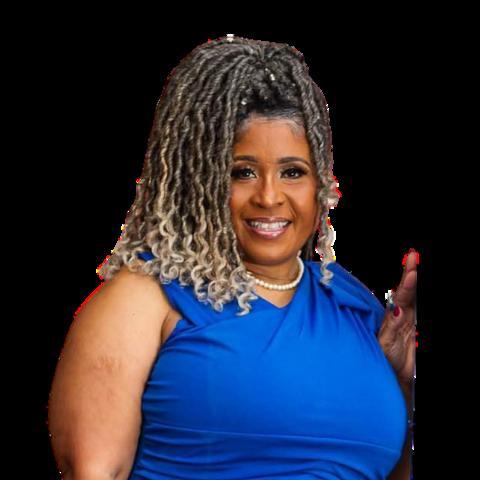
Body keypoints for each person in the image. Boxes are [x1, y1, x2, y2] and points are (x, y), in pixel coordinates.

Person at [48, 35, 416, 479]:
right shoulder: (145, 300)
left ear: (321, 184)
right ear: (196, 181)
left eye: (292, 172)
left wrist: (403, 380)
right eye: (241, 173)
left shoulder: (353, 305)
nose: (269, 196)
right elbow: (92, 471)